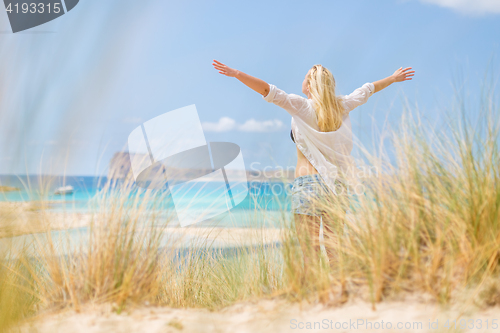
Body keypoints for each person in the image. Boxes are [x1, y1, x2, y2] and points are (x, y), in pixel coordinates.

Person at [212, 59, 414, 276]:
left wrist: (237, 73)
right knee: (335, 247)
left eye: (305, 77)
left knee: (310, 252)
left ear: (309, 85)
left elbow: (266, 90)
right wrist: (393, 79)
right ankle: (340, 293)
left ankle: (313, 296)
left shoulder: (300, 106)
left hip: (308, 185)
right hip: (336, 186)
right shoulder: (343, 105)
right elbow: (368, 90)